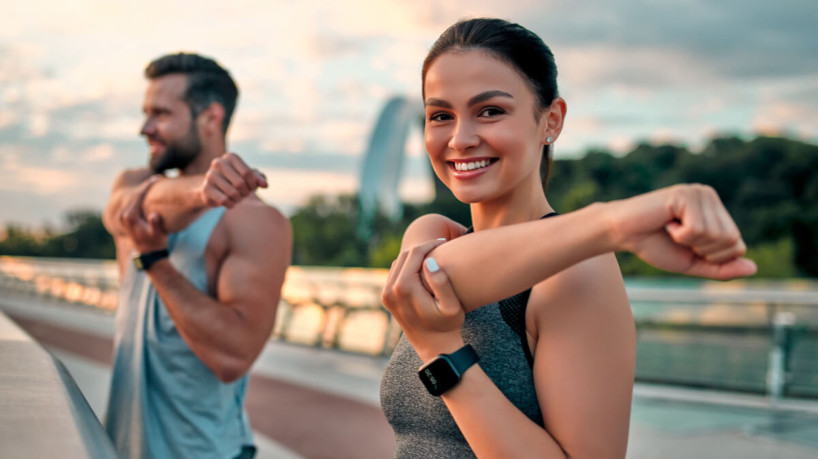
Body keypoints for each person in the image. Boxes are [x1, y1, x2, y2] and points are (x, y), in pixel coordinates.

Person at [379, 18, 757, 458]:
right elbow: (437, 277)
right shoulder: (433, 235)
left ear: (551, 121)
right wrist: (611, 224)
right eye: (441, 116)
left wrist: (444, 354)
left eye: (491, 111)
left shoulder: (579, 274)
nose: (460, 139)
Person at [102, 52, 292, 459]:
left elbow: (233, 356)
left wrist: (156, 262)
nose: (145, 128)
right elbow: (125, 210)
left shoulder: (256, 222)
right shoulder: (135, 185)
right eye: (145, 113)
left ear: (211, 117)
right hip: (121, 449)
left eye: (160, 114)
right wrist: (201, 192)